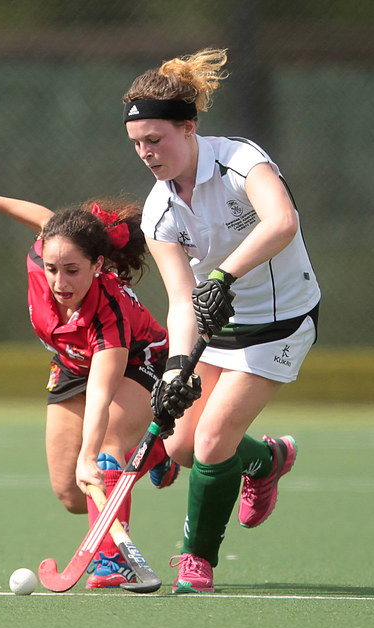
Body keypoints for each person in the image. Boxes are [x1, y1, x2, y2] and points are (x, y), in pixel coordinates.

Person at [0, 174, 198, 588]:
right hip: (72, 365)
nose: (60, 283)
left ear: (97, 265)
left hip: (138, 359)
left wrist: (90, 453)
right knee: (73, 495)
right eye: (54, 269)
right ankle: (154, 451)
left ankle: (113, 562)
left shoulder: (108, 309)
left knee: (106, 448)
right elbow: (47, 221)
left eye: (73, 271)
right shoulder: (44, 258)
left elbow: (102, 387)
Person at [122, 47, 321, 593]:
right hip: (215, 324)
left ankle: (196, 558)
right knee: (184, 448)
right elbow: (181, 300)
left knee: (211, 441)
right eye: (137, 144)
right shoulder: (158, 211)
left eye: (155, 139)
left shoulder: (240, 161)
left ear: (188, 129)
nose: (146, 153)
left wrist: (223, 276)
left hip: (278, 324)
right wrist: (175, 370)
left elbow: (282, 221)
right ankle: (267, 460)